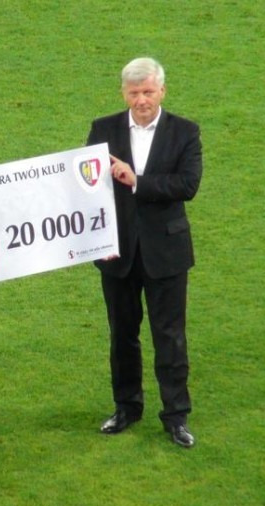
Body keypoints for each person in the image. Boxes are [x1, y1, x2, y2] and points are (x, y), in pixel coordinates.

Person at [85, 57, 203, 448]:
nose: (141, 100)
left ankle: (176, 417)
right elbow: (86, 188)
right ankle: (126, 408)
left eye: (148, 92)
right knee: (122, 336)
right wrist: (96, 238)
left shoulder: (185, 132)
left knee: (170, 337)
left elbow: (187, 185)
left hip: (166, 253)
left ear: (162, 91)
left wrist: (137, 181)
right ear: (124, 93)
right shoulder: (103, 130)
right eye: (134, 92)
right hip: (116, 253)